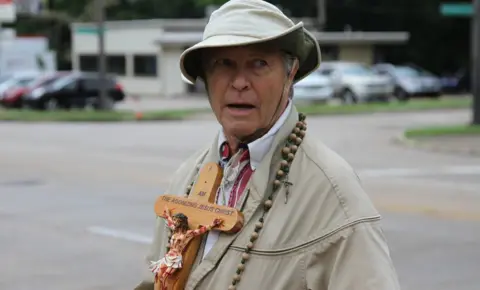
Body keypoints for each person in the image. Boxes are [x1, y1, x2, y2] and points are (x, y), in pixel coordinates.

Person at [134, 0, 401, 289]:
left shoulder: (332, 193)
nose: (239, 82)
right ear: (206, 78)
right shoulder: (187, 177)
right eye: (223, 64)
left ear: (290, 74)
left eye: (258, 64)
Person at [149, 206, 223, 290]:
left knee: (165, 275)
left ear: (182, 222)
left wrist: (213, 224)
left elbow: (200, 230)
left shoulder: (187, 234)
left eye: (177, 221)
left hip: (176, 258)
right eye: (175, 220)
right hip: (168, 256)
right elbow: (170, 222)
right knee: (159, 274)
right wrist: (167, 214)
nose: (175, 222)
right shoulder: (175, 230)